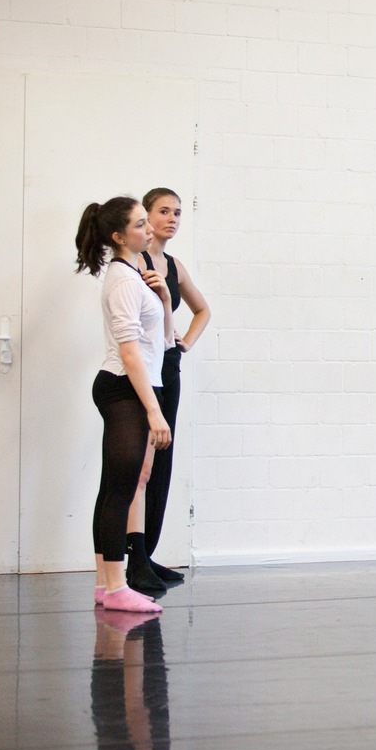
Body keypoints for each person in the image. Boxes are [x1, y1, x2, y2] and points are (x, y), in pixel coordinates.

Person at [75, 196, 172, 613]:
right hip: (123, 389)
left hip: (128, 387)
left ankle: (105, 583)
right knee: (120, 490)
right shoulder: (123, 280)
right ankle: (116, 587)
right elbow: (130, 352)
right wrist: (154, 411)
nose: (148, 228)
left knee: (115, 487)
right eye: (139, 224)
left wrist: (166, 299)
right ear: (118, 237)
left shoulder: (135, 273)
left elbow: (164, 343)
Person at [122, 188, 211, 592]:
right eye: (163, 211)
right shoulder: (133, 262)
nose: (172, 218)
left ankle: (148, 555)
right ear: (146, 215)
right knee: (138, 466)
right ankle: (132, 559)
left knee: (161, 462)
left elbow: (202, 309)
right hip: (142, 371)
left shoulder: (173, 265)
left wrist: (184, 342)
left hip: (169, 368)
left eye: (178, 212)